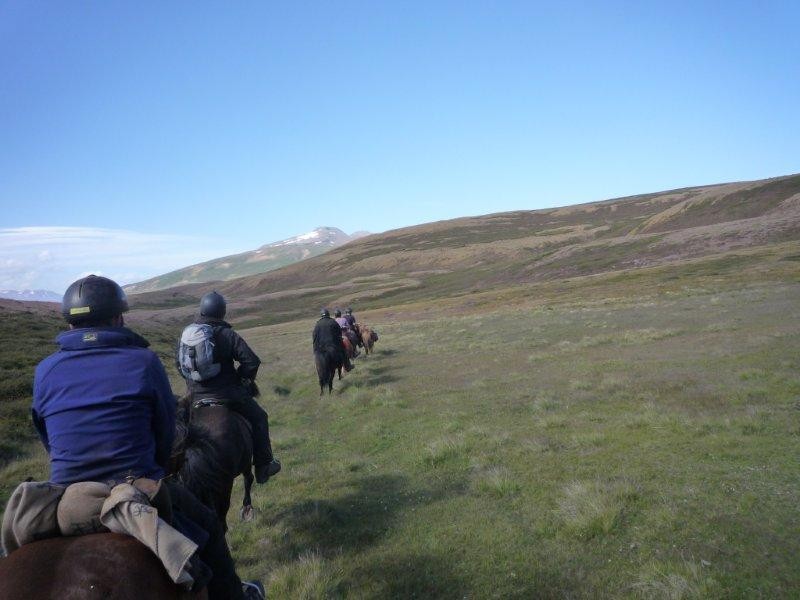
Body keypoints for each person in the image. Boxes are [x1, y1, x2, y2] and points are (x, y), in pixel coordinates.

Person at [31, 275, 263, 600]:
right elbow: (165, 433)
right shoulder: (143, 361)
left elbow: (46, 436)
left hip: (67, 496)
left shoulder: (45, 369)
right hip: (135, 487)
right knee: (209, 525)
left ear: (69, 323)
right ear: (119, 318)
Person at [177, 291, 280, 485]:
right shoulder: (227, 334)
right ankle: (263, 466)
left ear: (202, 310)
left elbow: (180, 366)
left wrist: (194, 385)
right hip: (227, 395)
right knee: (260, 417)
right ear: (221, 312)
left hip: (195, 397)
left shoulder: (187, 336)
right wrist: (243, 379)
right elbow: (251, 361)